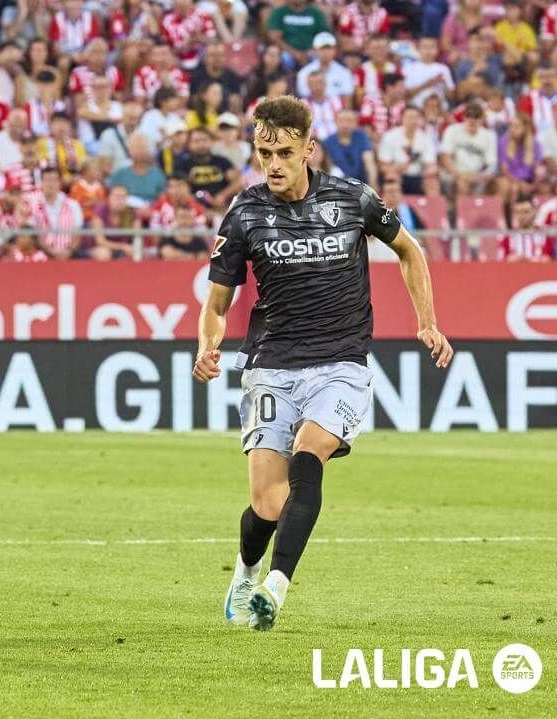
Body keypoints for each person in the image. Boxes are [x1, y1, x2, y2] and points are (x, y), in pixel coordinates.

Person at [194, 96, 452, 632]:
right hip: (270, 366)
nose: (273, 164)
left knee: (309, 455)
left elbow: (410, 250)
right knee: (267, 505)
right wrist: (208, 344)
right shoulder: (245, 213)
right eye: (264, 151)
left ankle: (275, 588)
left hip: (340, 363)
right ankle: (246, 572)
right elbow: (217, 301)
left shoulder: (353, 199)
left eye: (284, 152)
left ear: (309, 147)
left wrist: (426, 320)